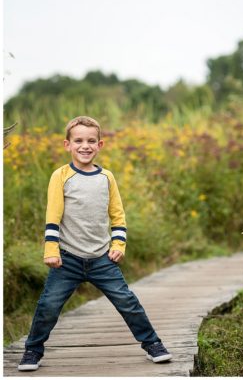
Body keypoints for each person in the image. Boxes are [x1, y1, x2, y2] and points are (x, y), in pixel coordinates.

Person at [18, 116, 171, 371]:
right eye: (78, 141)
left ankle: (152, 344)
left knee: (127, 301)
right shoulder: (61, 176)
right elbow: (53, 216)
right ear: (67, 144)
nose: (84, 146)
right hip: (66, 259)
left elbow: (118, 215)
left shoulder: (106, 178)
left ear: (100, 144)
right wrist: (51, 250)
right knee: (48, 306)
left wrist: (118, 245)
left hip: (102, 258)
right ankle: (33, 350)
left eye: (91, 141)